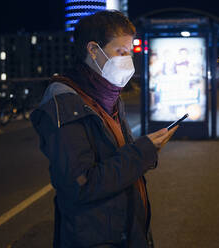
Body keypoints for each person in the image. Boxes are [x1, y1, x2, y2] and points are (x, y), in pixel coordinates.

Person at [30, 10, 178, 248]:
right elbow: (82, 185)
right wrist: (144, 151)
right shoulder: (64, 101)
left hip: (124, 232)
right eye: (120, 52)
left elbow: (119, 157)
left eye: (129, 52)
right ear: (93, 50)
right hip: (95, 238)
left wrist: (148, 149)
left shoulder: (107, 96)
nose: (127, 60)